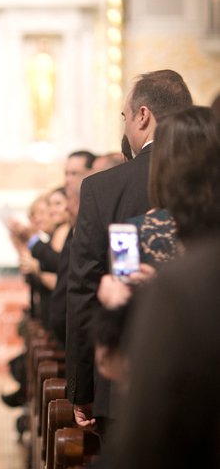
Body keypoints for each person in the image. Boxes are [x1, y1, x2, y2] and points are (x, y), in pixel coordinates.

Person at [66, 69, 192, 436]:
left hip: (123, 381)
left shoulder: (101, 188)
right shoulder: (208, 176)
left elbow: (84, 289)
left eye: (125, 116)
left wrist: (82, 388)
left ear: (143, 115)